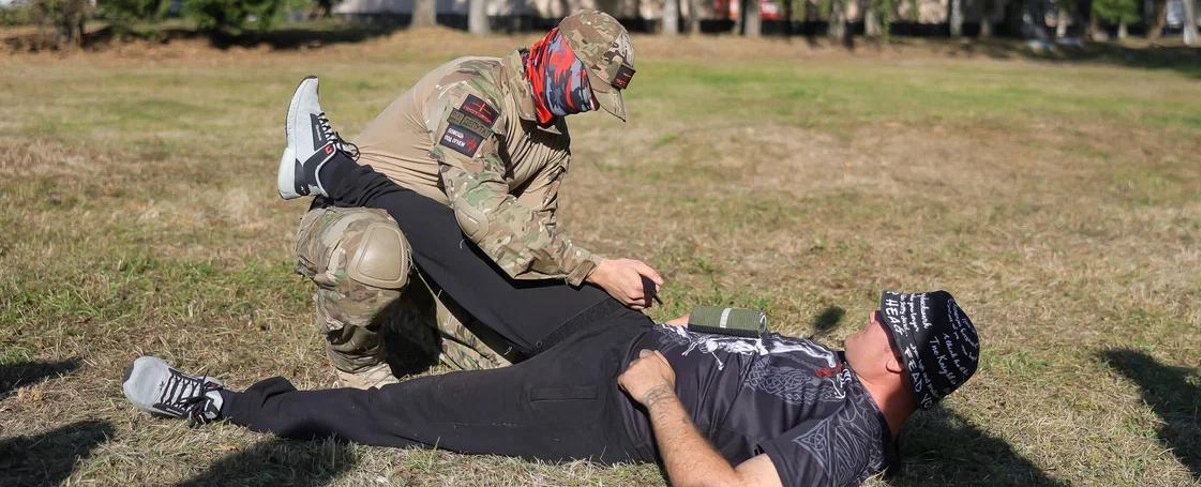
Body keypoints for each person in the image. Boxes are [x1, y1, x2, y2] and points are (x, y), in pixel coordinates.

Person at [124, 288, 980, 487]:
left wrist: (657, 396)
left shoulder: (850, 438)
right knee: (479, 265)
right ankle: (338, 174)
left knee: (401, 415)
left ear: (896, 362)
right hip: (623, 334)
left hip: (605, 398)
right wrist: (698, 324)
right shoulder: (843, 373)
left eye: (880, 320)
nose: (866, 317)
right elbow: (755, 350)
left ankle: (226, 404)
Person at [277, 9, 664, 386]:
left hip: (439, 256)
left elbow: (529, 241)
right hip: (355, 219)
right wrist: (596, 269)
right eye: (589, 89)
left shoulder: (552, 143)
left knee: (515, 355)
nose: (591, 105)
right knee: (377, 254)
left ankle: (399, 316)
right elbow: (482, 213)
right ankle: (360, 367)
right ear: (560, 56)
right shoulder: (473, 88)